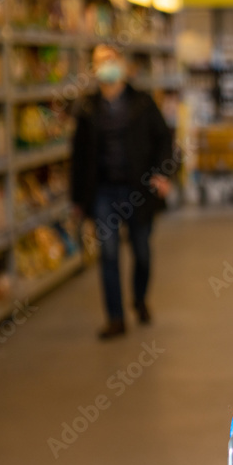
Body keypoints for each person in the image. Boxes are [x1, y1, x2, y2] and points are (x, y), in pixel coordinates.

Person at [70, 44, 175, 340]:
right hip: (103, 190)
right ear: (93, 68)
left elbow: (164, 139)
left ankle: (139, 299)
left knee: (142, 252)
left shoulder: (142, 102)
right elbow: (78, 155)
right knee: (109, 254)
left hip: (137, 190)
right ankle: (115, 318)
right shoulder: (87, 107)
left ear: (122, 65)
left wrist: (162, 172)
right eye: (100, 61)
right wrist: (77, 199)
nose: (106, 66)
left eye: (111, 60)